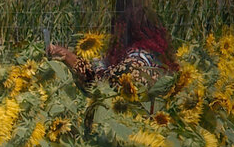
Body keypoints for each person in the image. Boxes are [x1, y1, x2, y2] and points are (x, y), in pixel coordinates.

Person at [46, 8, 179, 97]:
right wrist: (67, 55)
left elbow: (100, 85)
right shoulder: (156, 58)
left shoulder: (134, 63)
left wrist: (69, 58)